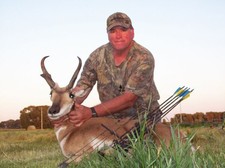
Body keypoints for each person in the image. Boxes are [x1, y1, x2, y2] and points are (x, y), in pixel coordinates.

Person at [55, 12, 160, 127]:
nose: (118, 35)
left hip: (143, 119)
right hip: (110, 119)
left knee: (145, 144)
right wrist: (64, 110)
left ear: (132, 32)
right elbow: (83, 86)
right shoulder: (96, 56)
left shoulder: (144, 58)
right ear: (108, 34)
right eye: (113, 31)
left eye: (123, 30)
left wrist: (90, 112)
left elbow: (129, 98)